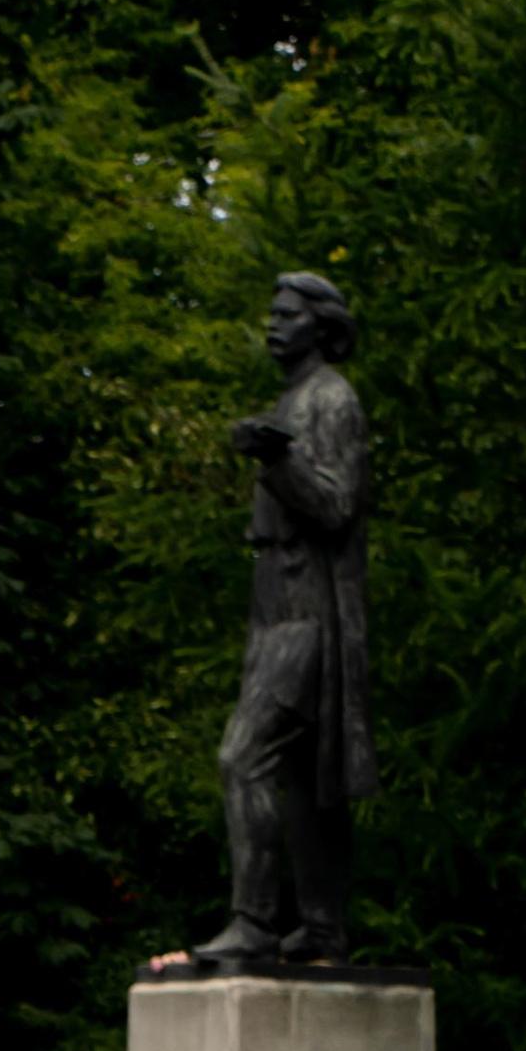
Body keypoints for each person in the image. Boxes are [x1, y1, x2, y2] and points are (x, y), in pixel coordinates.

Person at [193, 269, 376, 967]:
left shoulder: (332, 399)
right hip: (275, 597)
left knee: (243, 756)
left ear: (321, 327)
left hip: (310, 611)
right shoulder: (294, 399)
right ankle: (322, 927)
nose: (273, 325)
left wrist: (277, 459)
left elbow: (335, 505)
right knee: (302, 773)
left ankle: (255, 920)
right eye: (271, 314)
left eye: (288, 314)